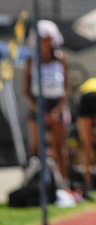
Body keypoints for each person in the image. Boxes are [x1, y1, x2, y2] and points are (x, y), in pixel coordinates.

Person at [24, 20, 72, 189]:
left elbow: (67, 87)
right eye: (41, 38)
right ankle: (35, 184)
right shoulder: (32, 61)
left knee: (60, 148)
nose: (45, 41)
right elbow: (27, 89)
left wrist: (57, 110)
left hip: (56, 106)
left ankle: (63, 184)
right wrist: (39, 110)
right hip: (38, 105)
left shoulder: (61, 59)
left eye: (47, 38)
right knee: (36, 149)